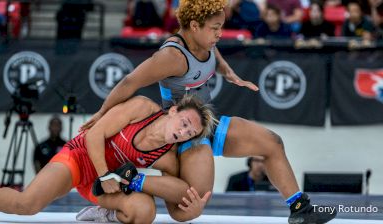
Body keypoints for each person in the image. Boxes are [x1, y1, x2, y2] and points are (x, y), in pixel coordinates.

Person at [78, 0, 337, 223]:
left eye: (221, 26)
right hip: (184, 133)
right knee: (187, 209)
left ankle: (300, 209)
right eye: (215, 28)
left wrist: (230, 74)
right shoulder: (172, 56)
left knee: (272, 143)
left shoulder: (206, 41)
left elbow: (214, 54)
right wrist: (102, 113)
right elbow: (129, 83)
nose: (220, 33)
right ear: (194, 26)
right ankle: (131, 182)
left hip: (205, 122)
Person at [0, 95, 216, 224]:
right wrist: (104, 175)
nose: (183, 132)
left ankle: (106, 213)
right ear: (173, 111)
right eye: (185, 124)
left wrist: (191, 213)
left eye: (190, 134)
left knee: (145, 211)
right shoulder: (143, 108)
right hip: (80, 157)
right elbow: (95, 134)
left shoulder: (167, 155)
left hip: (105, 184)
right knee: (27, 205)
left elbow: (177, 199)